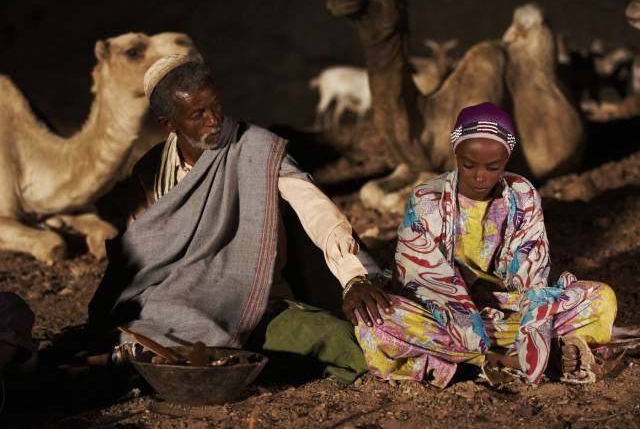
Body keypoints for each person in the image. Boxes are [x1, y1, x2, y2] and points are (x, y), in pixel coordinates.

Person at [88, 54, 388, 383]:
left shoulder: (257, 149)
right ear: (169, 124)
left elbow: (314, 207)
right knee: (130, 334)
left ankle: (187, 358)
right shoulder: (151, 171)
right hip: (177, 303)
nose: (214, 121)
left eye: (215, 106)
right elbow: (142, 254)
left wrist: (354, 277)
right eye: (197, 114)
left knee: (341, 342)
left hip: (256, 304)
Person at [350, 102, 618, 387]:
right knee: (376, 324)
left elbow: (533, 278)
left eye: (493, 167)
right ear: (456, 154)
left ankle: (473, 359)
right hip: (440, 311)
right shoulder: (426, 199)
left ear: (507, 159)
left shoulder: (522, 194)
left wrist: (531, 325)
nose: (480, 176)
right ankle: (501, 359)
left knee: (602, 299)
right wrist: (471, 326)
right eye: (469, 164)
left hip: (506, 310)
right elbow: (419, 280)